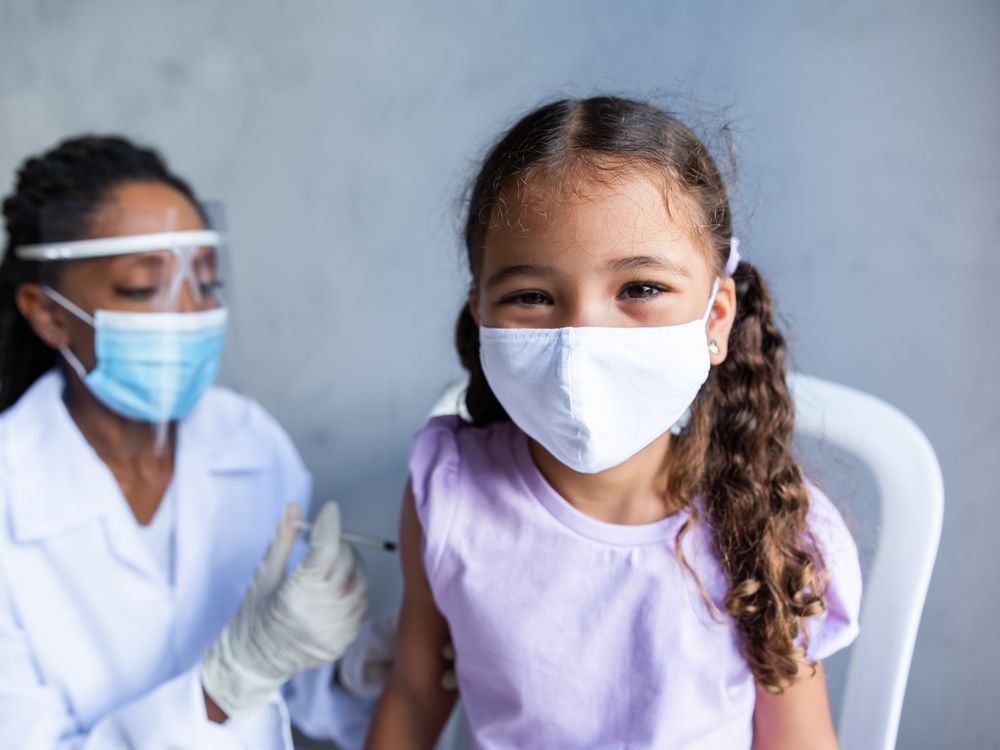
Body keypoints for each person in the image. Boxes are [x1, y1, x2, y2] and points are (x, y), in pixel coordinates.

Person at [365, 96, 863, 749]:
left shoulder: (767, 526)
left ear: (715, 318)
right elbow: (414, 693)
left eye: (640, 289)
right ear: (482, 316)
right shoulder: (451, 493)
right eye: (532, 298)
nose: (582, 339)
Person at [0, 135, 388, 749]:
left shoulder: (250, 444)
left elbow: (292, 693)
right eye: (140, 287)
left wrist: (354, 667)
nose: (187, 314)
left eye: (204, 284)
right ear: (48, 314)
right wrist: (227, 685)